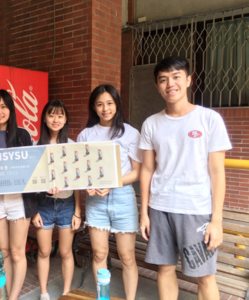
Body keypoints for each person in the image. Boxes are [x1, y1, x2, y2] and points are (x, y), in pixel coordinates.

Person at [139, 56, 232, 300]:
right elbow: (147, 170)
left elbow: (217, 171)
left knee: (204, 276)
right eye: (163, 79)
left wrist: (217, 220)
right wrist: (144, 212)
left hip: (196, 210)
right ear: (158, 86)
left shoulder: (209, 119)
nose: (170, 84)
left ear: (189, 80)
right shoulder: (151, 124)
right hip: (160, 209)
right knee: (165, 268)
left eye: (176, 77)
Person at [77, 84, 141, 300]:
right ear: (94, 107)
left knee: (127, 256)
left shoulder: (131, 133)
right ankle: (101, 297)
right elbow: (81, 172)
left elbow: (136, 172)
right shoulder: (86, 135)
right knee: (99, 254)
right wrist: (88, 184)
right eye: (100, 104)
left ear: (117, 104)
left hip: (122, 197)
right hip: (95, 199)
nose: (105, 108)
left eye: (110, 103)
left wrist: (112, 183)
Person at [0, 89, 38, 300]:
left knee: (17, 251)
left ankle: (12, 297)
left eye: (3, 106)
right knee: (4, 252)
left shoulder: (23, 135)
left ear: (11, 109)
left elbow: (31, 171)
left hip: (18, 201)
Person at [31, 100, 81, 300]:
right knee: (44, 251)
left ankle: (66, 292)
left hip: (67, 205)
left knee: (65, 252)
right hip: (43, 204)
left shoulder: (72, 146)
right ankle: (44, 292)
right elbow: (31, 183)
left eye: (60, 115)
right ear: (44, 118)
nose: (55, 119)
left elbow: (77, 182)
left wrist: (78, 211)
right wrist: (34, 211)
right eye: (51, 115)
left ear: (65, 119)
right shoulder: (35, 145)